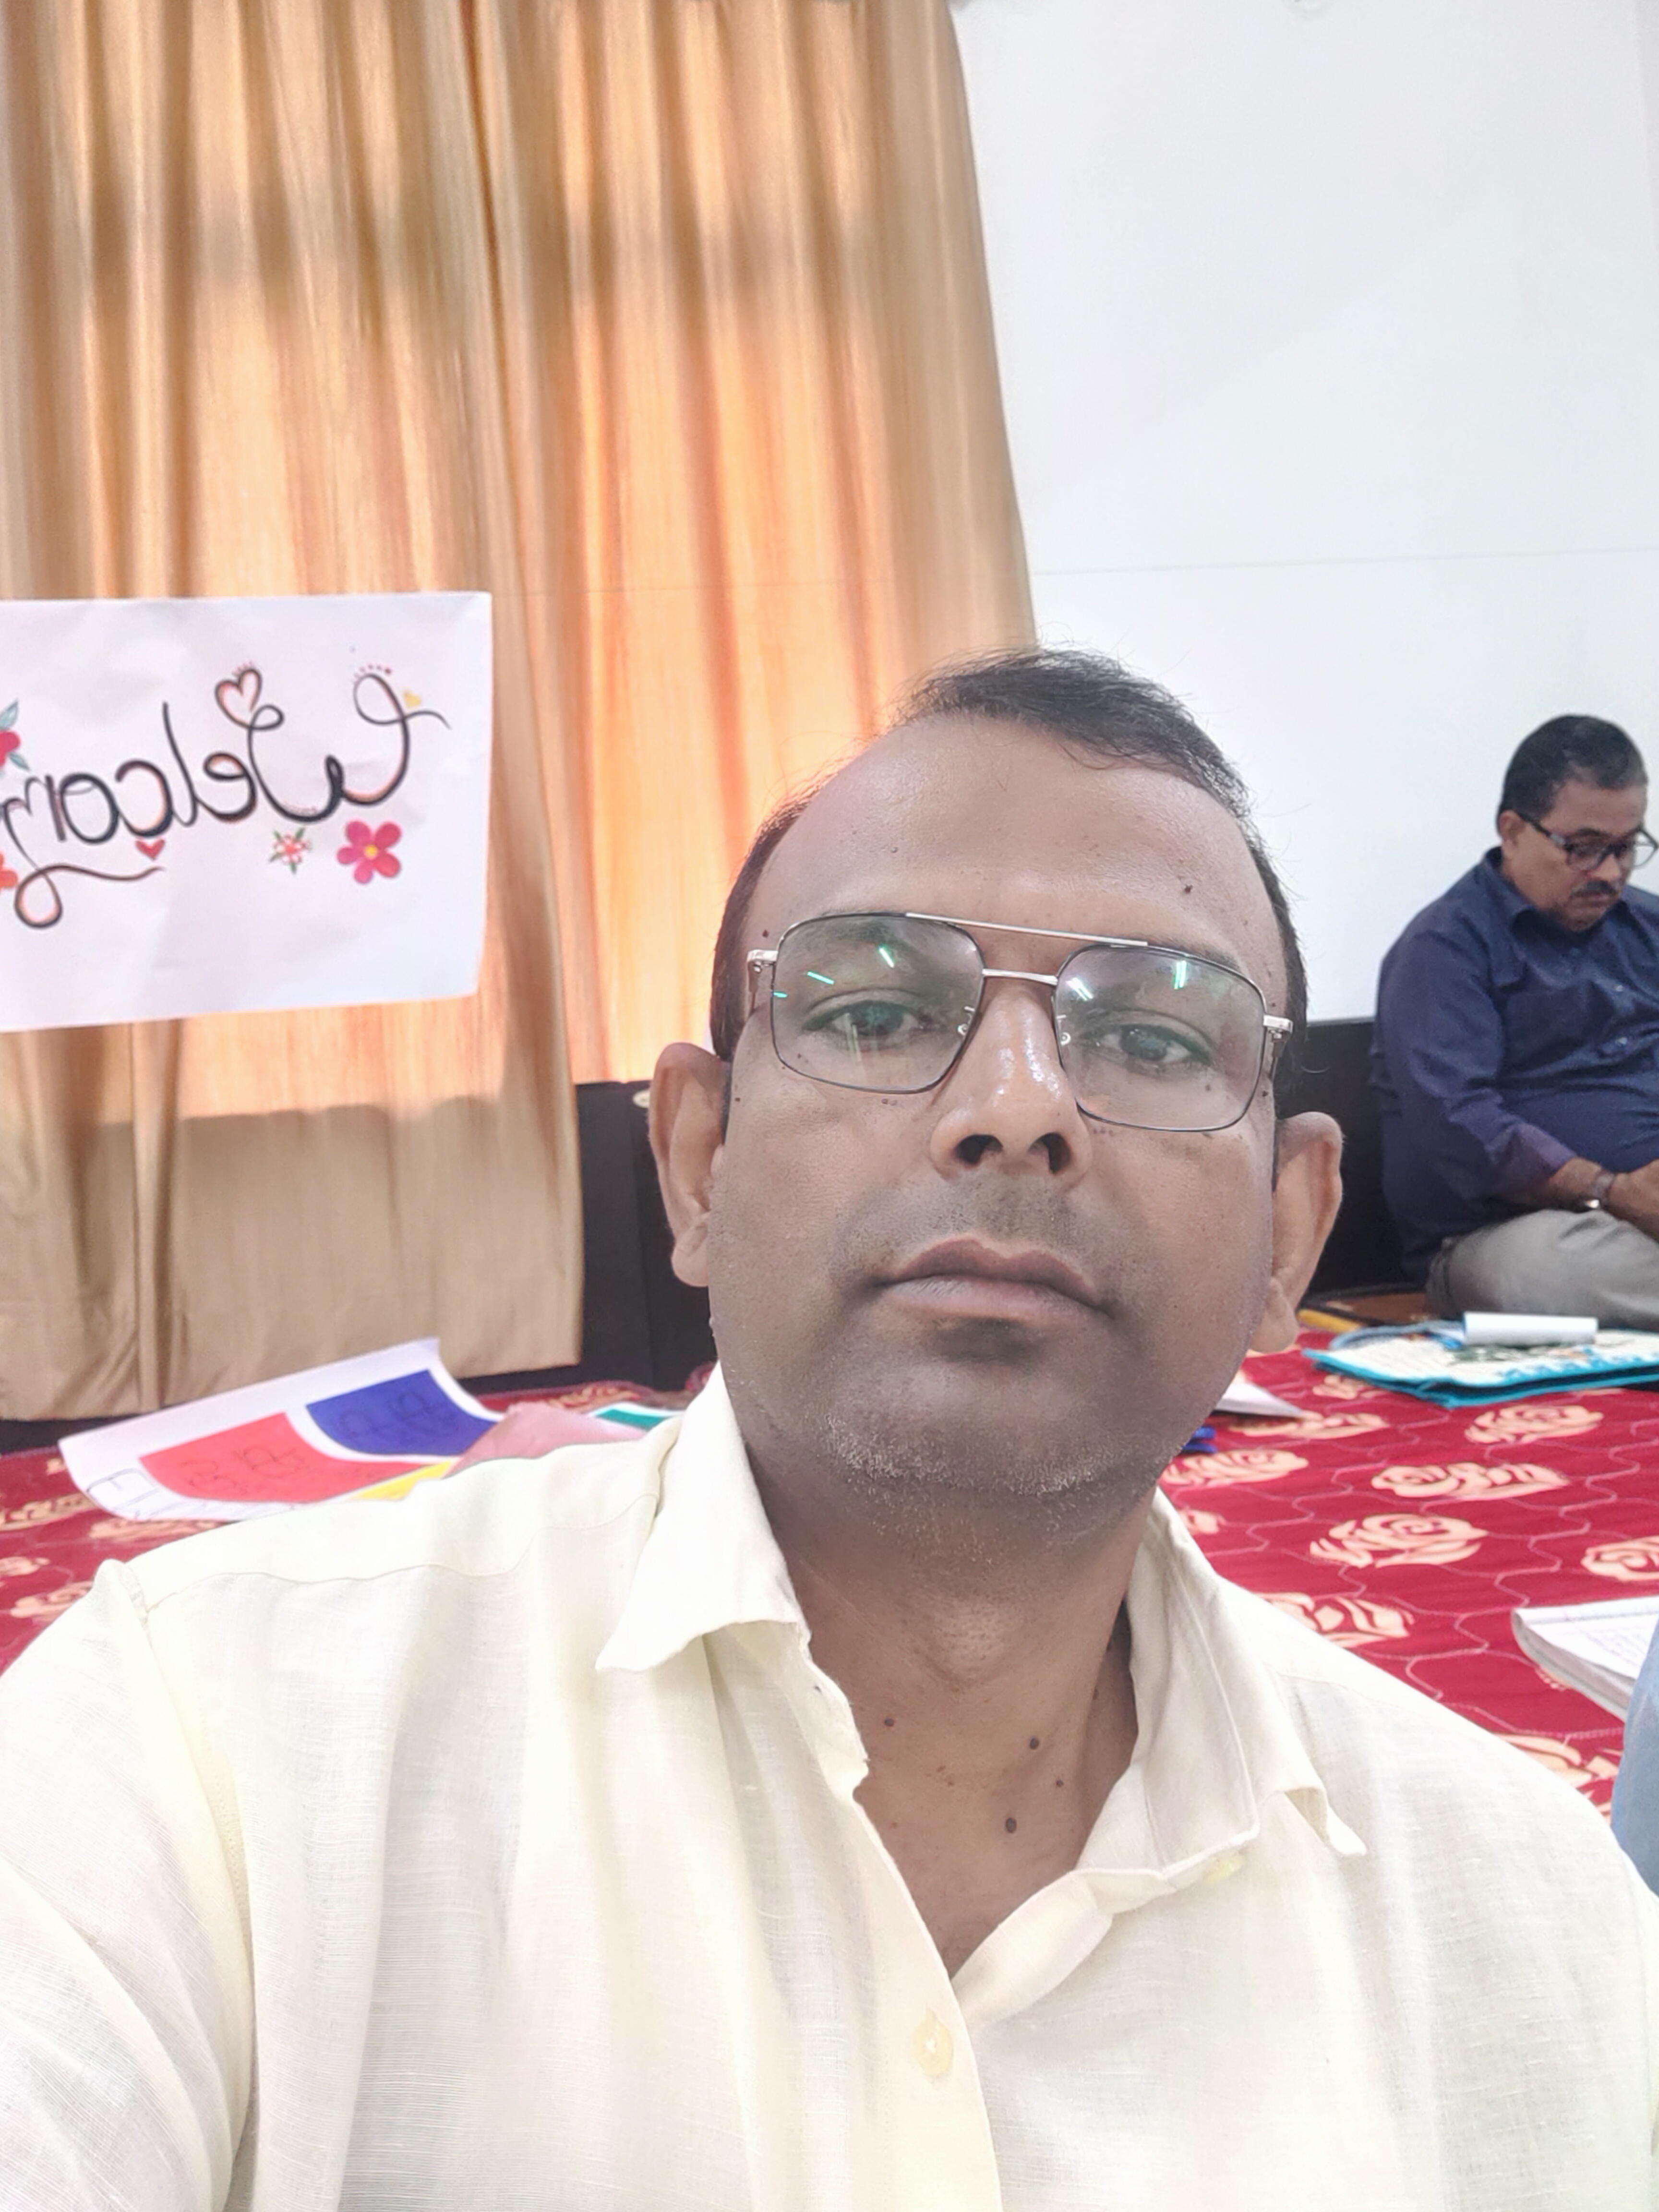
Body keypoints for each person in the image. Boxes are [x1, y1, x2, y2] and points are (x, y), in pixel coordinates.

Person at [2, 649, 1656, 2209]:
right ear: (696, 1162)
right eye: (875, 1012)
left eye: (1152, 1035)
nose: (1017, 1108)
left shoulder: (1521, 1913)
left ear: (1289, 1233)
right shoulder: (200, 1741)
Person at [1372, 714, 1659, 1320]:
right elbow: (1460, 1121)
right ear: (1512, 831)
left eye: (1626, 847)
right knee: (1531, 1274)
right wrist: (1612, 1191)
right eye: (1584, 848)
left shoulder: (1650, 930)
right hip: (1516, 1232)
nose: (1610, 872)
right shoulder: (1443, 949)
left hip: (1646, 1226)